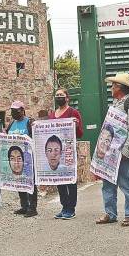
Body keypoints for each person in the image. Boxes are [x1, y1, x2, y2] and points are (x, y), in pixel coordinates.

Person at [96, 72, 129, 227]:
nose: (111, 88)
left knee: (127, 183)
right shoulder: (114, 104)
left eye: (113, 85)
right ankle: (110, 213)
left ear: (120, 87)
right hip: (110, 152)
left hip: (122, 152)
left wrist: (126, 151)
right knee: (107, 183)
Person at [49, 88, 84, 220]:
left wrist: (76, 125)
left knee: (70, 180)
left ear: (67, 98)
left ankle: (71, 208)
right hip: (57, 152)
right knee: (60, 180)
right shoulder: (52, 114)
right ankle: (64, 206)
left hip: (68, 151)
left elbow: (80, 133)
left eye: (61, 95)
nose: (59, 97)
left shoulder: (73, 112)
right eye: (57, 95)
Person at [5, 100, 38, 218]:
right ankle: (24, 206)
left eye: (16, 111)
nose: (14, 113)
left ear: (23, 110)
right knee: (19, 182)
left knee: (30, 182)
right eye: (12, 111)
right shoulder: (12, 123)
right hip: (16, 159)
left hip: (28, 158)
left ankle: (32, 207)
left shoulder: (29, 122)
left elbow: (35, 138)